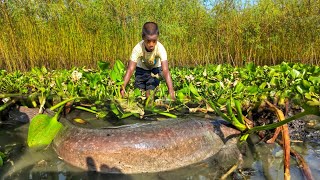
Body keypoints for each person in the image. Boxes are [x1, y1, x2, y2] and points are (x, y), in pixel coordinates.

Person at [121, 22, 175, 100]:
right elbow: (130, 69)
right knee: (139, 93)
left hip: (155, 71)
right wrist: (122, 88)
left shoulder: (160, 48)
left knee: (149, 93)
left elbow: (165, 70)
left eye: (154, 41)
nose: (151, 44)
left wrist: (171, 90)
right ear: (143, 37)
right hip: (141, 70)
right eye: (148, 41)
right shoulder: (138, 48)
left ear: (157, 37)